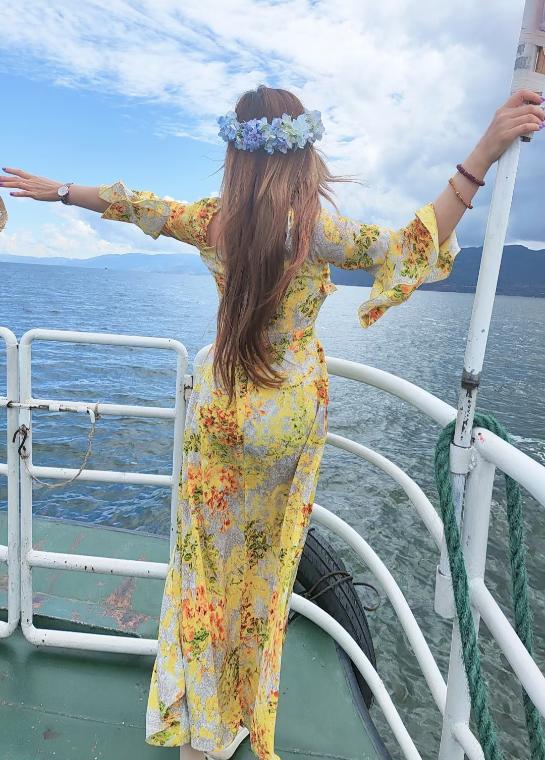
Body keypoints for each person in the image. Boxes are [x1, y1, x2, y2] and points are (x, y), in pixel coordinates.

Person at [1, 84, 543, 760]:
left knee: (204, 570)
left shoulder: (214, 222)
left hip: (222, 412)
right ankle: (238, 713)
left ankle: (198, 726)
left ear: (236, 156)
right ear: (302, 153)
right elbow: (411, 243)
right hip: (285, 421)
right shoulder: (317, 232)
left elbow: (133, 203)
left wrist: (58, 192)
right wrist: (483, 153)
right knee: (263, 573)